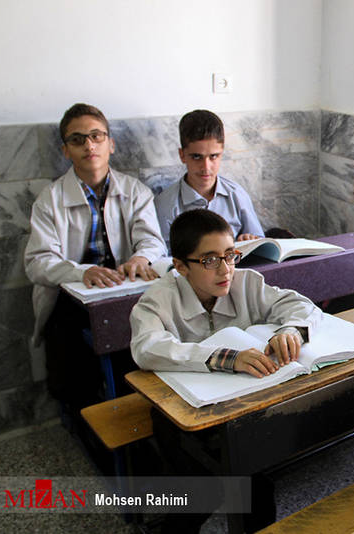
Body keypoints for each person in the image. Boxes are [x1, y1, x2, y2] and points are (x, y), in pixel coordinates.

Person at [130, 208, 321, 532]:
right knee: (196, 494)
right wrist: (226, 357)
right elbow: (146, 348)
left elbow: (302, 306)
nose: (225, 268)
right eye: (209, 260)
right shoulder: (158, 299)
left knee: (255, 489)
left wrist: (291, 330)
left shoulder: (245, 282)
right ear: (180, 266)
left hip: (239, 407)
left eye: (230, 255)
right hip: (181, 414)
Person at [24, 102, 166, 414]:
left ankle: (137, 414)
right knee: (72, 363)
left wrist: (141, 258)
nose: (89, 145)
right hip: (71, 297)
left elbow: (152, 241)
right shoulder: (50, 200)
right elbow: (36, 262)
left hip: (123, 288)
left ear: (110, 144)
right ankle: (88, 418)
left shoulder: (135, 191)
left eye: (96, 136)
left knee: (137, 343)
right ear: (65, 150)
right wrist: (81, 273)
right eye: (77, 139)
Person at [154, 109, 264, 248]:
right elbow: (164, 258)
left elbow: (259, 244)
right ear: (182, 155)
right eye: (196, 157)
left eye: (213, 156)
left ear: (222, 154)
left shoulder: (236, 194)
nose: (206, 167)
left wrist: (248, 240)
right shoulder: (166, 204)